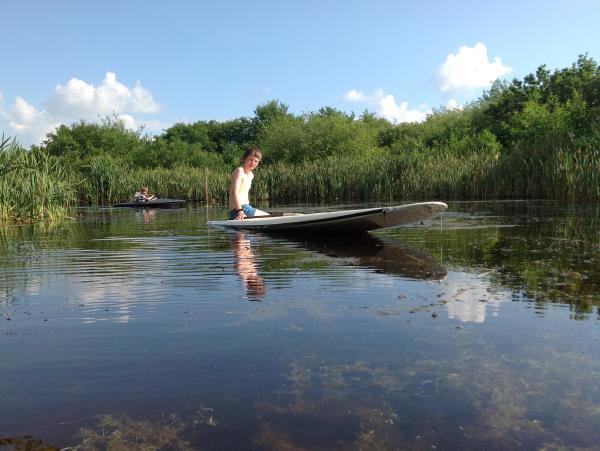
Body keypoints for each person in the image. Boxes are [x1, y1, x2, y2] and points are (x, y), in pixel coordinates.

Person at [228, 147, 269, 220]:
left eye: (256, 161)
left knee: (269, 216)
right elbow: (234, 192)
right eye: (251, 160)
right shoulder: (239, 171)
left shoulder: (251, 175)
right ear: (244, 159)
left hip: (246, 208)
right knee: (269, 217)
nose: (253, 163)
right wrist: (240, 211)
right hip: (238, 210)